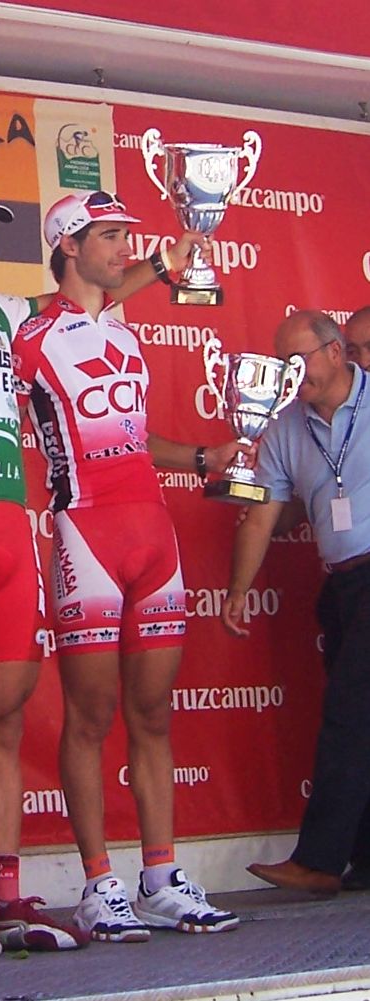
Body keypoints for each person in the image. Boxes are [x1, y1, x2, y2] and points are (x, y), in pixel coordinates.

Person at [0, 175, 208, 957]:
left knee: (2, 718)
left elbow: (89, 297)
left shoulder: (11, 314)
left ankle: (6, 895)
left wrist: (164, 264)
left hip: (8, 530)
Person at [13, 191, 244, 942]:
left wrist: (202, 457)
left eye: (125, 236)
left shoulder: (123, 331)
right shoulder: (28, 334)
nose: (122, 247)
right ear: (68, 245)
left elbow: (135, 439)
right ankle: (96, 884)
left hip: (152, 531)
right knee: (90, 716)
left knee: (152, 713)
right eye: (108, 235)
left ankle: (160, 877)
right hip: (85, 533)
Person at [222, 310, 370, 897]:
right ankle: (365, 858)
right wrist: (238, 590)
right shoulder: (283, 427)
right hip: (341, 585)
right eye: (280, 363)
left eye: (297, 359)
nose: (289, 373)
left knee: (349, 715)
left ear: (335, 352)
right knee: (359, 718)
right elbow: (262, 516)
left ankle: (320, 861)